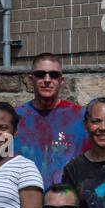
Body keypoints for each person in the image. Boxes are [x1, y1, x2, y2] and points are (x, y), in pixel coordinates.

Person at [13, 53, 89, 189]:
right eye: (40, 74)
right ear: (31, 79)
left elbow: (104, 154)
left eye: (54, 75)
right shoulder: (15, 118)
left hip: (67, 205)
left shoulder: (81, 116)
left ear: (62, 80)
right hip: (24, 203)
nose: (47, 79)